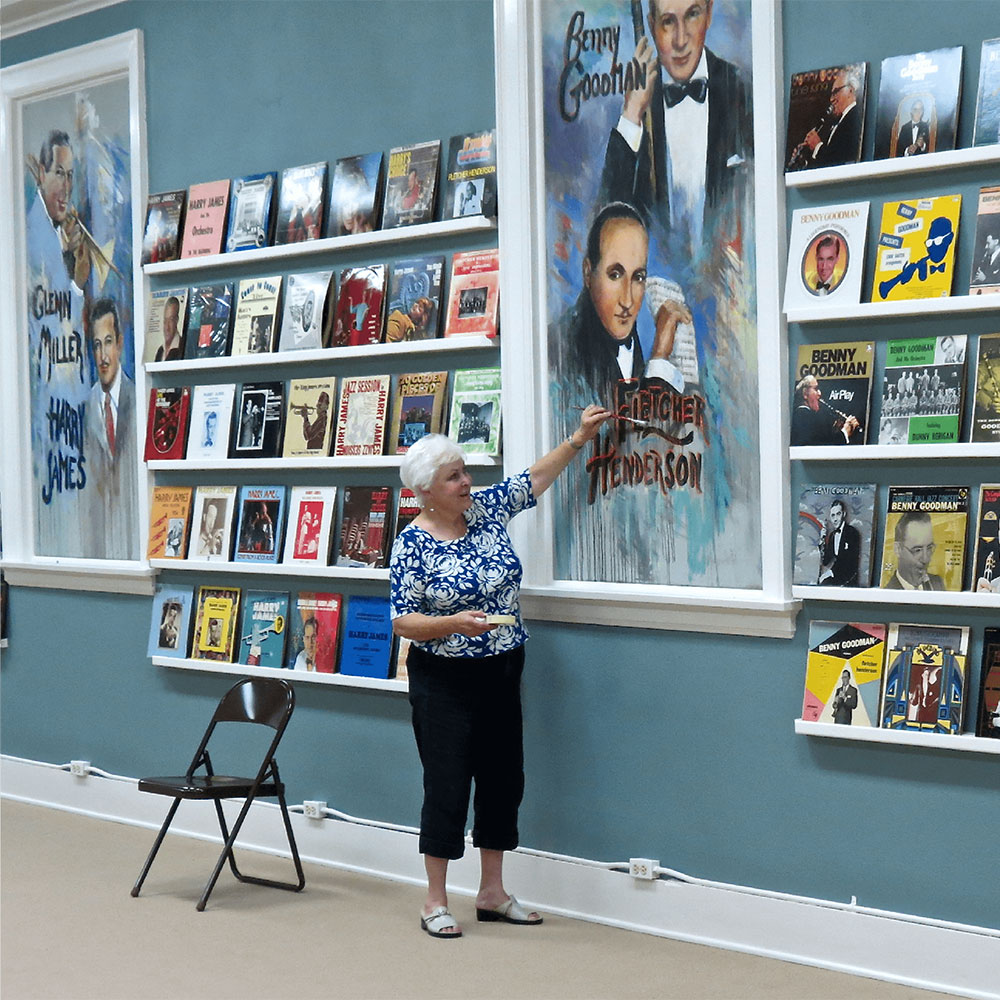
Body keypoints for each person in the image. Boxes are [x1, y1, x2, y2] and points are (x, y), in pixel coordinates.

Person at [390, 407, 612, 939]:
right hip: (442, 678)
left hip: (501, 669)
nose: (468, 482)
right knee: (446, 783)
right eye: (455, 477)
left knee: (502, 779)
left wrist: (578, 437)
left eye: (465, 471)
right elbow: (402, 619)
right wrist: (450, 624)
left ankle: (492, 892)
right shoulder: (411, 544)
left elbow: (534, 478)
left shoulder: (486, 511)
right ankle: (436, 900)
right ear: (426, 490)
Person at [600, 0, 751, 243]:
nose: (681, 40)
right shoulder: (639, 108)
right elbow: (607, 223)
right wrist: (631, 115)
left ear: (709, 13)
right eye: (668, 22)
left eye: (692, 15)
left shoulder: (743, 90)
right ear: (651, 24)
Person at [554, 202, 692, 406]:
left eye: (638, 277)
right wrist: (660, 358)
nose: (627, 301)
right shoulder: (559, 351)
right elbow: (626, 433)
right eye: (615, 275)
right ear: (587, 274)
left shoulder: (632, 341)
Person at [83, 297, 138, 558]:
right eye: (96, 345)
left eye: (107, 342)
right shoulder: (86, 411)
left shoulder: (138, 400)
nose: (103, 357)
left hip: (133, 544)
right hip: (98, 551)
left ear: (120, 343)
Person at [800, 67, 863, 169]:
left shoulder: (854, 119)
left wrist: (817, 146)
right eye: (831, 94)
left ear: (850, 91)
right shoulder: (838, 122)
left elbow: (836, 161)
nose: (831, 99)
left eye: (836, 92)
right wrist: (805, 156)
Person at [790, 375, 860, 446]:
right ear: (805, 393)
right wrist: (845, 432)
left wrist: (836, 431)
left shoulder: (804, 416)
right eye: (816, 389)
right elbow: (821, 447)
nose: (819, 393)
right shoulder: (803, 415)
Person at [884, 511, 944, 591]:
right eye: (917, 550)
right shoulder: (888, 590)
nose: (926, 559)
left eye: (929, 548)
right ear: (898, 549)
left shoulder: (937, 583)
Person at [818, 499, 861, 586]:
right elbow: (826, 561)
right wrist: (822, 540)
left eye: (838, 514)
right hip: (836, 576)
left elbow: (851, 562)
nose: (835, 519)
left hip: (848, 578)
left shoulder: (852, 532)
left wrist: (831, 572)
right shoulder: (832, 536)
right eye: (833, 515)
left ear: (844, 514)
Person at [154, 296, 183, 361]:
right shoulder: (160, 351)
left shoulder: (183, 347)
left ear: (177, 320)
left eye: (171, 320)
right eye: (165, 320)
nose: (167, 327)